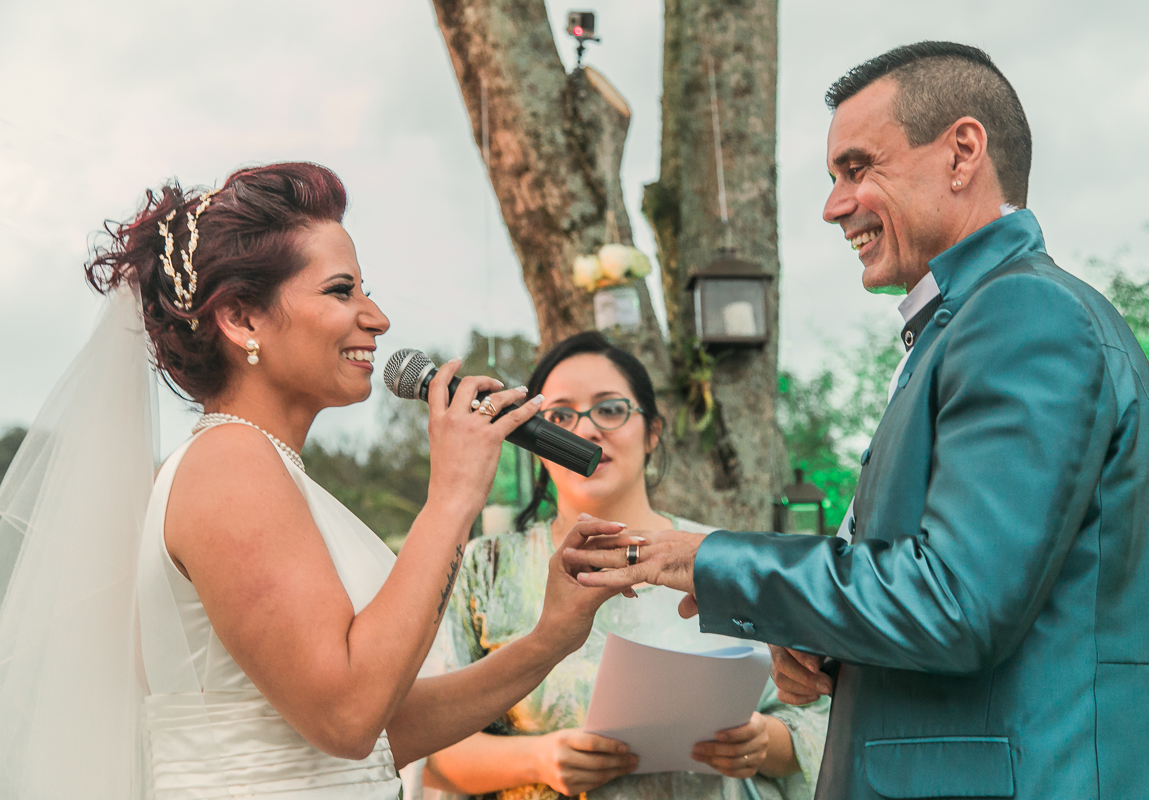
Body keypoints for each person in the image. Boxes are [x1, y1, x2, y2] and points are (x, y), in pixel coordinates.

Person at [566, 41, 1149, 799]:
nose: (833, 205)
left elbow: (956, 604)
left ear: (961, 152)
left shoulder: (1023, 314)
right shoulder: (966, 322)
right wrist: (824, 643)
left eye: (856, 167)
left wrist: (710, 559)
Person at [0, 162, 640, 799]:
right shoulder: (228, 466)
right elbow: (347, 717)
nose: (379, 318)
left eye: (366, 289)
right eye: (342, 291)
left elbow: (385, 729)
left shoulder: (273, 472)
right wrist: (452, 495)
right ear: (243, 321)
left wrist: (549, 638)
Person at [422, 332, 828, 800]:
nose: (587, 431)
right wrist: (537, 759)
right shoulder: (485, 569)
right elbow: (425, 745)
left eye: (611, 409)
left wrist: (762, 743)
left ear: (653, 432)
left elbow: (813, 720)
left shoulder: (725, 558)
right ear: (531, 437)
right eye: (559, 416)